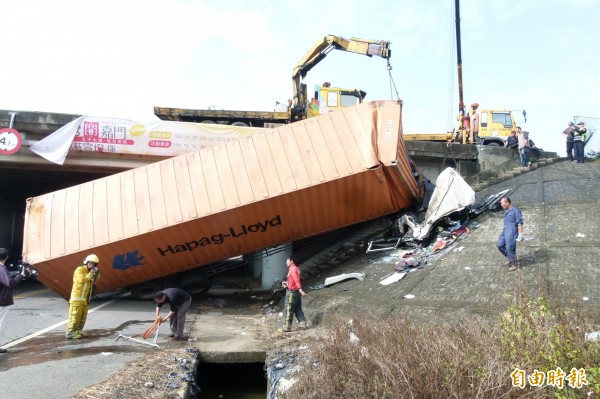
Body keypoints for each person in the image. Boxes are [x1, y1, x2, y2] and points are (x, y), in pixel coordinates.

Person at [0, 248, 31, 353]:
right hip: (2, 301)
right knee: (1, 324)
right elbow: (9, 283)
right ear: (7, 257)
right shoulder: (1, 269)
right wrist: (21, 275)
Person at [66, 254, 100, 339]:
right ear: (86, 262)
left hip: (85, 299)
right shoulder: (79, 269)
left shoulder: (90, 273)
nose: (92, 266)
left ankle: (78, 331)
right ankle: (70, 332)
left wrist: (97, 273)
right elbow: (82, 280)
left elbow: (96, 280)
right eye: (91, 263)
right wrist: (91, 273)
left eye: (94, 264)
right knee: (75, 316)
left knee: (82, 318)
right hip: (77, 299)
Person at [280, 256, 308, 332]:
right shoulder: (296, 269)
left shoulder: (293, 269)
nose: (286, 262)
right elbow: (295, 280)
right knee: (298, 309)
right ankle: (303, 324)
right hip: (296, 293)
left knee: (288, 309)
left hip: (292, 293)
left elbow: (296, 280)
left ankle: (286, 327)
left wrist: (300, 290)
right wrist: (287, 283)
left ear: (291, 261)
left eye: (287, 261)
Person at [497, 197, 524, 271]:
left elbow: (520, 223)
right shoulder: (506, 210)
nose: (502, 205)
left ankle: (515, 263)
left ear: (508, 203)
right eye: (501, 203)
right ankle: (509, 257)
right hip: (505, 229)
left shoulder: (516, 211)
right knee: (500, 245)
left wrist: (521, 234)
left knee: (509, 247)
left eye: (503, 203)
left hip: (512, 230)